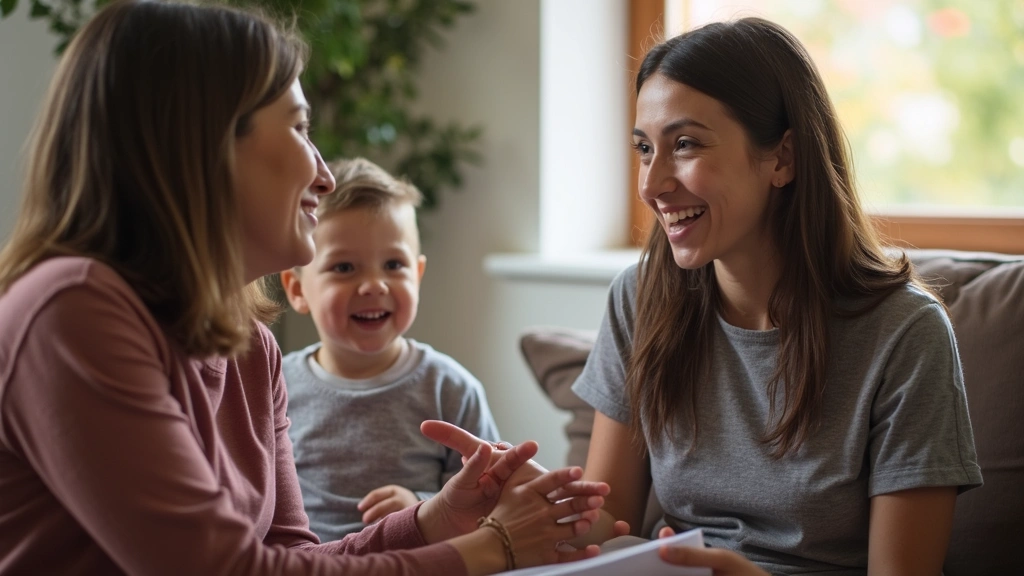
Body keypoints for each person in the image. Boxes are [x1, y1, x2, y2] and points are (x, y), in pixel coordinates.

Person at [0, 1, 610, 574]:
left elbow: (291, 553)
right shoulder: (71, 312)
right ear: (202, 146)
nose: (322, 173)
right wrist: (488, 548)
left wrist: (434, 520)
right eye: (298, 128)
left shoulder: (249, 348)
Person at [569, 17, 983, 575]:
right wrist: (529, 511)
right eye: (646, 148)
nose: (652, 183)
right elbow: (607, 525)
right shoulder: (641, 297)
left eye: (685, 144)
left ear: (783, 158)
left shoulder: (905, 333)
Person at [278, 157, 501, 541]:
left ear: (417, 275)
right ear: (298, 289)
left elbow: (490, 501)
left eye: (393, 264)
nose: (374, 286)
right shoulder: (275, 385)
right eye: (345, 268)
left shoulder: (449, 388)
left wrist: (424, 506)